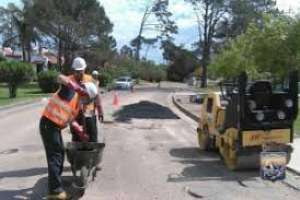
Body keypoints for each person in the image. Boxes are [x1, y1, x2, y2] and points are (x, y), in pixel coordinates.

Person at [39, 70, 98, 199]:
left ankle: (56, 186)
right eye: (88, 98)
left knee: (59, 154)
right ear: (84, 93)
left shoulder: (77, 105)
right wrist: (75, 87)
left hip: (54, 127)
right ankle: (55, 192)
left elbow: (70, 119)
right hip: (48, 125)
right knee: (55, 156)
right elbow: (59, 77)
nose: (88, 102)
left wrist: (79, 130)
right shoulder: (70, 91)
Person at [69, 58, 103, 143]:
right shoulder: (69, 81)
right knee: (77, 139)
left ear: (84, 69)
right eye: (77, 71)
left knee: (92, 138)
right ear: (73, 70)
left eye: (81, 71)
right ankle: (77, 155)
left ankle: (93, 155)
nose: (79, 73)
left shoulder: (90, 79)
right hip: (75, 115)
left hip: (89, 113)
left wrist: (100, 111)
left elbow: (96, 96)